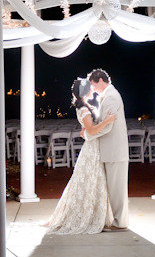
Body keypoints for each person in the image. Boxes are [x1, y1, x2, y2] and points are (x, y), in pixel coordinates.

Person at [45, 78, 116, 234]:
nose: (92, 90)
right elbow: (91, 130)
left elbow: (88, 129)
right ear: (84, 91)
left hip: (93, 145)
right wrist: (107, 121)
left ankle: (96, 214)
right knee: (91, 179)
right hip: (92, 148)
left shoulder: (85, 106)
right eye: (89, 88)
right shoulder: (83, 109)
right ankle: (87, 216)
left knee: (93, 180)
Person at [83, 68, 129, 232]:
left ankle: (120, 223)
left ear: (101, 80)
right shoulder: (109, 96)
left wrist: (88, 135)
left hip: (114, 151)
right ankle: (117, 220)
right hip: (112, 150)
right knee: (114, 189)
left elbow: (107, 127)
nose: (94, 89)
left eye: (94, 86)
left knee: (117, 190)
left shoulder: (111, 97)